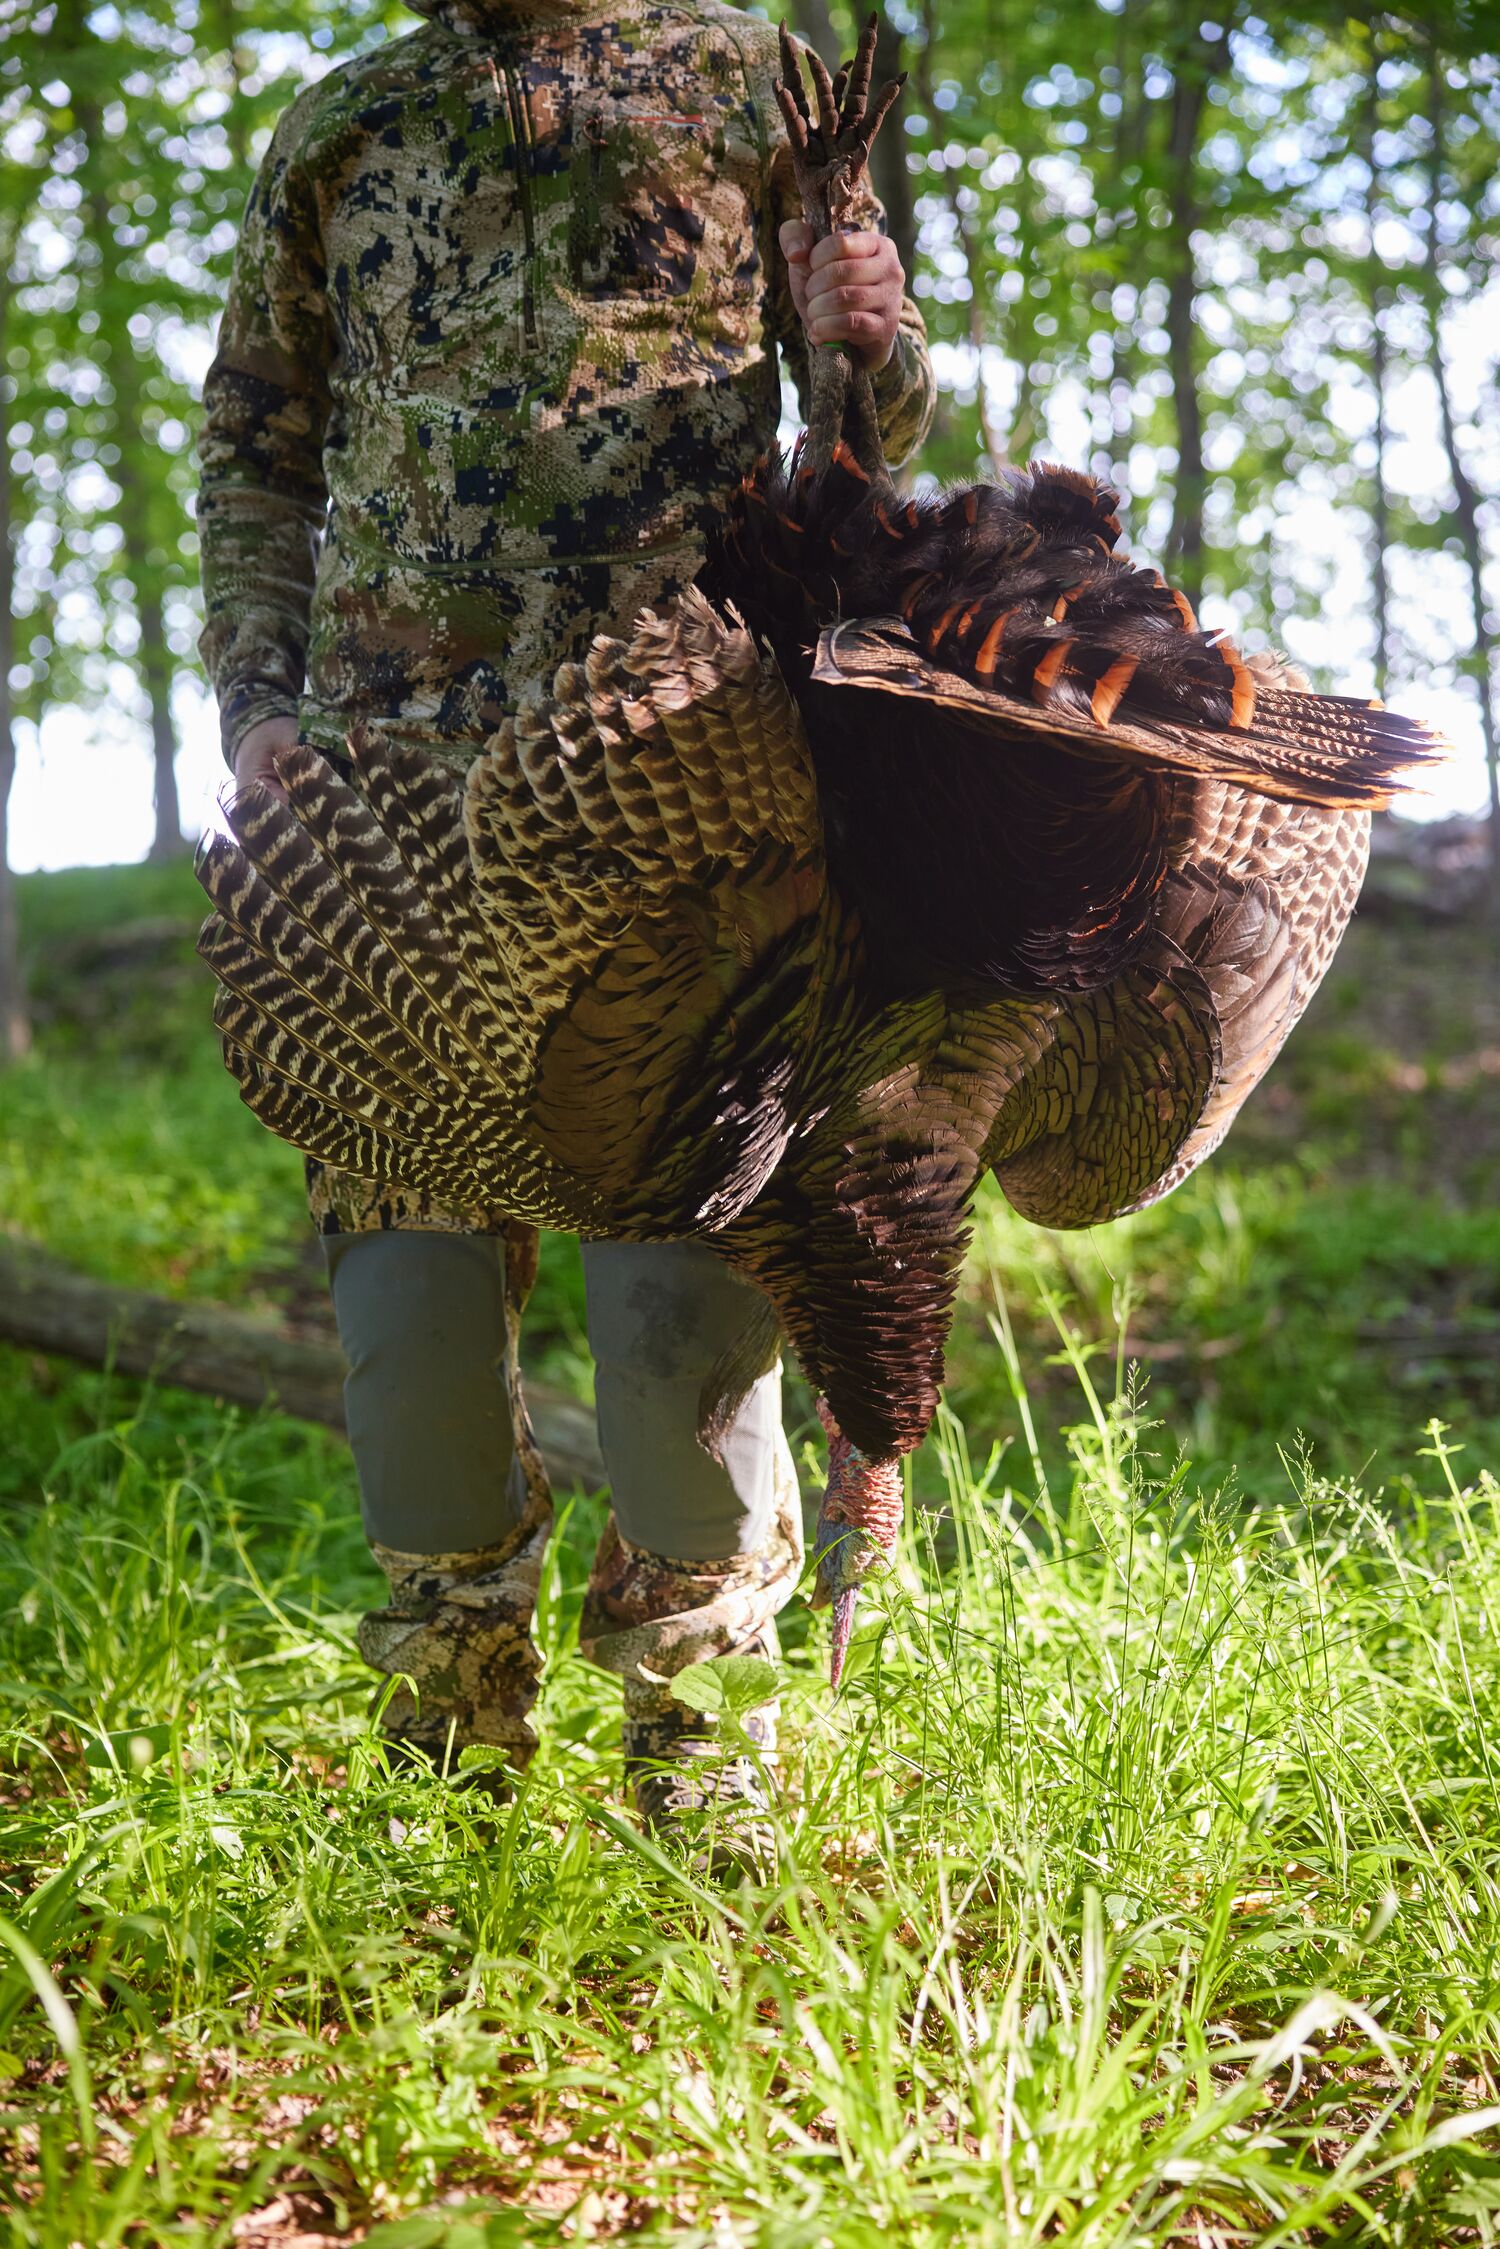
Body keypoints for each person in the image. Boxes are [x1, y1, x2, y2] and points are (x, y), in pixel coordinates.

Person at [196, 0, 934, 1839]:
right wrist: (259, 702)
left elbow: (865, 437)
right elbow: (257, 453)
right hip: (390, 785)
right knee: (409, 1275)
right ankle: (448, 1745)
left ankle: (713, 1759)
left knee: (683, 1237)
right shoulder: (346, 120)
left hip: (674, 755)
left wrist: (877, 347)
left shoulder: (749, 77)